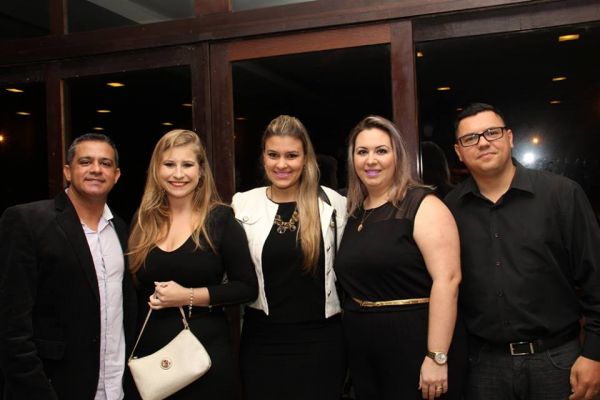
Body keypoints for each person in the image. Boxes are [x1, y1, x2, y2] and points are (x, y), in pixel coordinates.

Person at [444, 102, 600, 400]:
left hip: (557, 360)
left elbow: (596, 277)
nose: (483, 142)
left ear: (510, 137)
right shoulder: (450, 209)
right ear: (459, 152)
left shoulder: (561, 195)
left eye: (492, 132)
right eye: (470, 138)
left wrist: (595, 353)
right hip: (484, 366)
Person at [334, 115, 467, 400]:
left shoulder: (423, 205)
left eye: (381, 150)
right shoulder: (355, 212)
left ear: (398, 156)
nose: (371, 160)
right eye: (362, 151)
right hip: (364, 348)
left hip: (415, 342)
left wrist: (436, 356)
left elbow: (448, 280)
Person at [0, 133, 137, 400]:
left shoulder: (121, 230)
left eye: (105, 163)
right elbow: (12, 326)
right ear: (67, 171)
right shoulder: (28, 221)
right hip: (54, 387)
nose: (96, 169)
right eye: (85, 162)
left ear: (116, 175)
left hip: (114, 387)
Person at [127, 129, 257, 399]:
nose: (178, 174)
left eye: (187, 165)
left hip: (204, 356)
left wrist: (187, 296)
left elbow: (246, 288)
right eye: (169, 164)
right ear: (156, 170)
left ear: (201, 171)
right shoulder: (143, 221)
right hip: (151, 359)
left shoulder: (220, 220)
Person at [231, 115, 347, 400]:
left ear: (305, 158)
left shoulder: (334, 204)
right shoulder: (243, 203)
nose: (281, 164)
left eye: (291, 155)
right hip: (262, 341)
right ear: (263, 157)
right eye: (273, 155)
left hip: (322, 341)